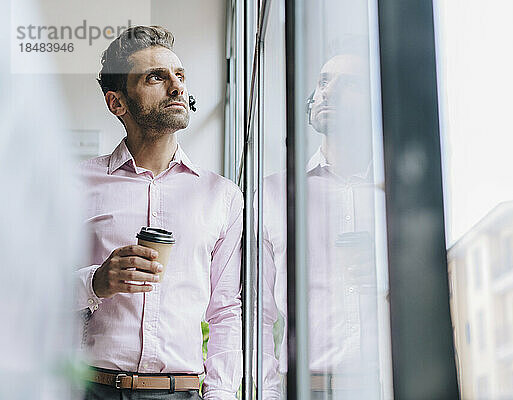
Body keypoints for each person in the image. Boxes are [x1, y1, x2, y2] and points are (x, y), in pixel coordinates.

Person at [76, 25, 250, 400]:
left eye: (180, 75)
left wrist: (220, 394)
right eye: (156, 77)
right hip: (92, 389)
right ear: (117, 103)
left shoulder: (221, 196)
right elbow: (34, 290)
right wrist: (96, 282)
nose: (176, 87)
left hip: (182, 392)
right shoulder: (76, 185)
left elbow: (225, 310)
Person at [263, 51, 384, 399]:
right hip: (303, 389)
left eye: (350, 85)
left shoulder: (395, 196)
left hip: (386, 386)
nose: (327, 92)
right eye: (324, 81)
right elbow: (256, 314)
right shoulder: (274, 194)